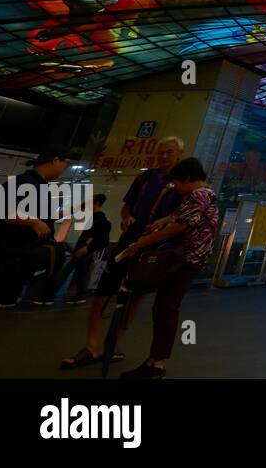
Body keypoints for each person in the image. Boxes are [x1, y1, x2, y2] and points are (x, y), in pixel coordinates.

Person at [59, 137, 185, 369]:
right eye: (161, 152)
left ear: (179, 154)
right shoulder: (145, 177)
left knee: (136, 297)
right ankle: (91, 346)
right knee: (102, 293)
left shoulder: (181, 183)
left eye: (169, 152)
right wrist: (126, 216)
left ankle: (111, 345)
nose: (164, 156)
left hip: (152, 248)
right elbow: (128, 205)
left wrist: (163, 224)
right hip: (128, 241)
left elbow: (182, 216)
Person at [120, 157, 220, 379]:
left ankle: (156, 364)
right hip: (192, 260)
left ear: (186, 178)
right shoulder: (208, 195)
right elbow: (180, 218)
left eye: (176, 183)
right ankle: (154, 360)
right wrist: (164, 220)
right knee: (164, 307)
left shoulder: (196, 195)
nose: (175, 188)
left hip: (184, 260)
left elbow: (179, 227)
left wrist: (142, 243)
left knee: (166, 308)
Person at [0, 151, 71, 309]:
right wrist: (33, 221)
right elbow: (0, 212)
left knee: (5, 306)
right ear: (55, 160)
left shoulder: (41, 186)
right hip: (4, 259)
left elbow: (44, 218)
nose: (65, 168)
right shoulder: (23, 183)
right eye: (65, 163)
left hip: (18, 260)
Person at [62, 193, 110, 304]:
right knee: (81, 272)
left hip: (83, 249)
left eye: (91, 201)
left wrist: (86, 247)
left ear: (97, 203)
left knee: (71, 271)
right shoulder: (95, 217)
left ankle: (50, 294)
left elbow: (93, 235)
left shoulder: (98, 218)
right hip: (84, 249)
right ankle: (80, 296)